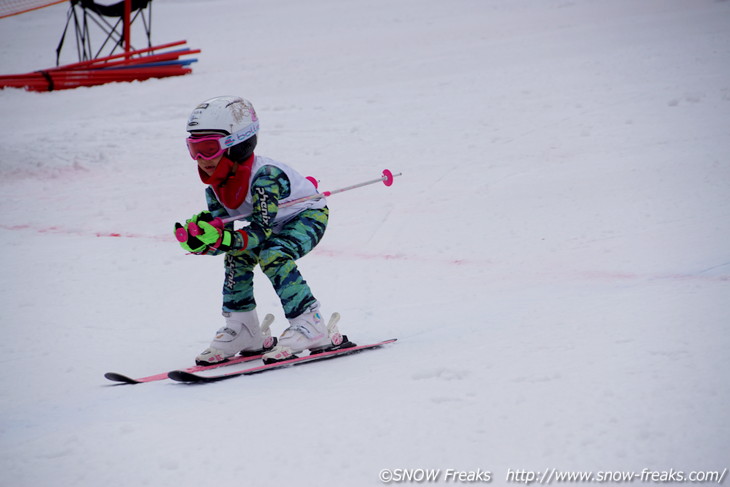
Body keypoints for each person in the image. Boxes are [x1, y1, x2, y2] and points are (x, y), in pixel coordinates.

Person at [176, 95, 344, 365]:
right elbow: (228, 237)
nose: (201, 159)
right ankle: (243, 327)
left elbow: (262, 232)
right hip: (271, 223)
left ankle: (309, 323)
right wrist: (204, 241)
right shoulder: (215, 188)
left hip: (307, 215)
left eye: (208, 148)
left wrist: (225, 238)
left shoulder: (265, 177)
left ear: (238, 144)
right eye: (193, 148)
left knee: (272, 254)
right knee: (237, 256)